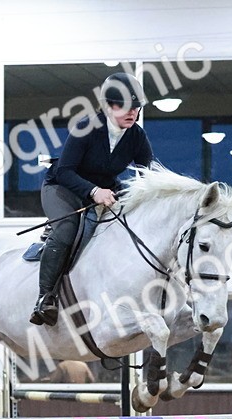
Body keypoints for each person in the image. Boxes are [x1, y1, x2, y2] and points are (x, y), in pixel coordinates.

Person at [31, 72, 154, 326]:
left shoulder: (136, 136)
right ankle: (45, 298)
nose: (133, 113)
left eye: (137, 108)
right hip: (62, 188)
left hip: (106, 191)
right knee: (67, 229)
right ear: (108, 106)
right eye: (126, 107)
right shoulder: (86, 127)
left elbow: (147, 175)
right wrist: (94, 192)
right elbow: (65, 171)